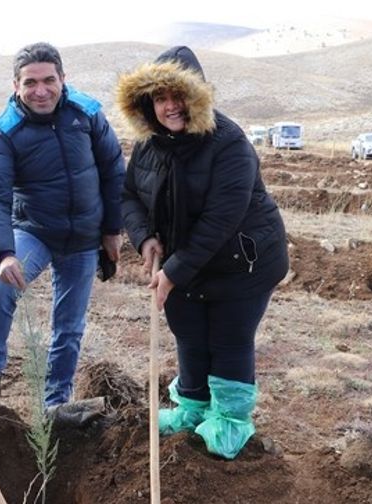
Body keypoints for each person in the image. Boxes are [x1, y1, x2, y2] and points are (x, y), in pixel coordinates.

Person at [115, 46, 289, 459]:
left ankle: (230, 421)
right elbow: (128, 196)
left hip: (242, 262)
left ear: (197, 97)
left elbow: (220, 220)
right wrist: (144, 238)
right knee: (189, 334)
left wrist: (173, 271)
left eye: (178, 96)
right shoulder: (148, 145)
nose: (170, 106)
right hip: (184, 260)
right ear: (148, 103)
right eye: (160, 98)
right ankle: (192, 409)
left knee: (228, 339)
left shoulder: (229, 144)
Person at [0, 42, 126, 414]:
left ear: (63, 79)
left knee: (69, 328)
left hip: (84, 237)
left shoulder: (85, 113)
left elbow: (113, 170)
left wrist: (112, 229)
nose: (41, 90)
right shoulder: (6, 131)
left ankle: (56, 405)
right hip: (33, 231)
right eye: (30, 82)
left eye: (49, 80)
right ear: (16, 86)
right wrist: (4, 253)